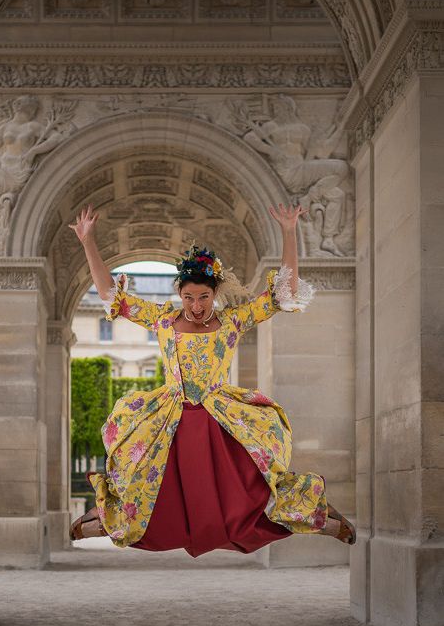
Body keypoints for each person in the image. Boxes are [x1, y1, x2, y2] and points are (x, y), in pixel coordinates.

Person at [68, 202, 356, 555]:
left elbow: (284, 294)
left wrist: (288, 232)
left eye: (203, 297)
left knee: (251, 488)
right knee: (140, 472)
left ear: (214, 294)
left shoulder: (233, 320)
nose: (196, 305)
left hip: (220, 417)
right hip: (170, 415)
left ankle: (318, 517)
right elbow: (111, 293)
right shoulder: (162, 320)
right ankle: (106, 520)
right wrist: (87, 243)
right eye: (188, 297)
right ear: (179, 295)